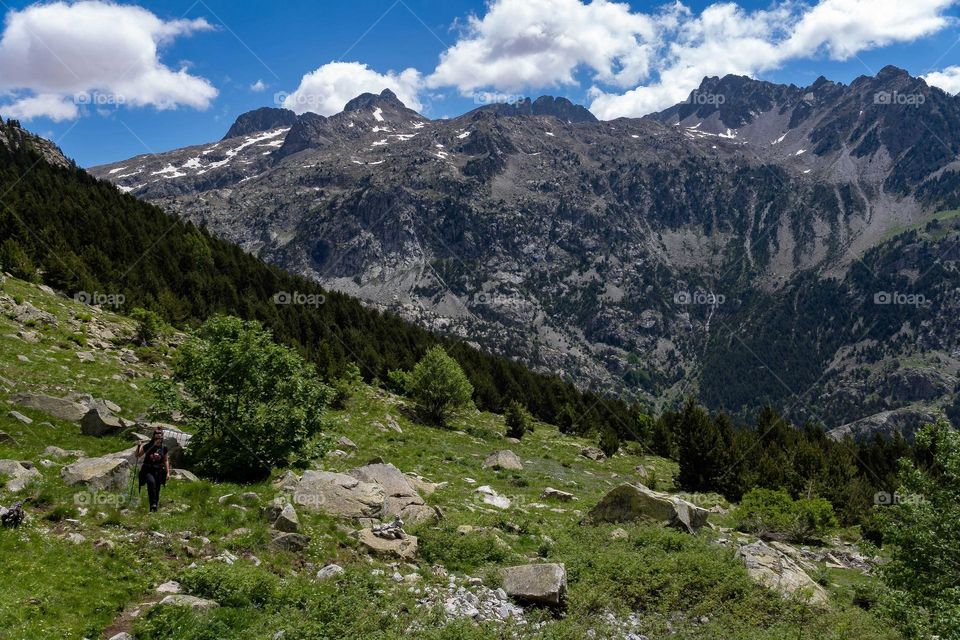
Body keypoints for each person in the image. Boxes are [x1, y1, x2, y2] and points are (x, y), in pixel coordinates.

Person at [135, 428, 171, 512]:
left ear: (162, 438)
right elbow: (137, 455)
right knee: (151, 483)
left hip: (159, 470)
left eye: (160, 437)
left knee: (157, 488)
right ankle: (153, 504)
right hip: (147, 470)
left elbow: (165, 460)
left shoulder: (164, 448)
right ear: (153, 437)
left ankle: (154, 507)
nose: (158, 440)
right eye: (156, 438)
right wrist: (138, 446)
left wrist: (168, 472)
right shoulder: (148, 446)